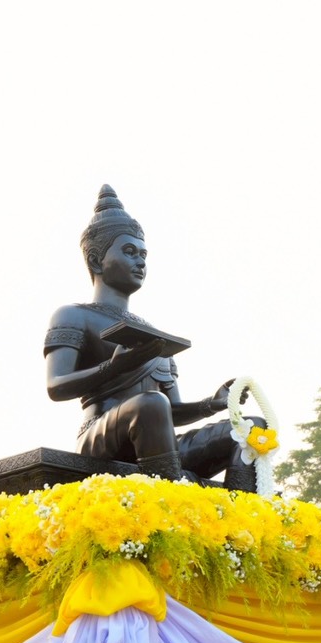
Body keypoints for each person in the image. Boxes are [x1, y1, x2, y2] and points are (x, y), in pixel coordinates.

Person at [44, 184, 261, 489]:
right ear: (96, 261)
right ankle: (169, 496)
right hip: (101, 437)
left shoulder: (153, 336)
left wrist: (209, 405)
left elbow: (169, 412)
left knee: (251, 429)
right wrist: (113, 368)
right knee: (149, 404)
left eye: (144, 254)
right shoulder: (74, 315)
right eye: (129, 252)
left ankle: (244, 520)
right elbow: (56, 387)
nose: (141, 261)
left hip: (160, 443)